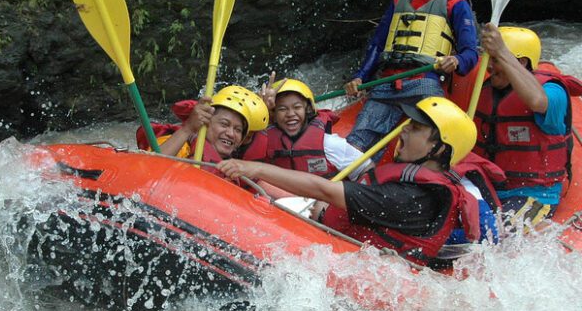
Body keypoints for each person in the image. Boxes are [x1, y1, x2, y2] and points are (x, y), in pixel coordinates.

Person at [218, 97, 481, 268]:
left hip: (354, 269)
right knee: (263, 188)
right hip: (343, 237)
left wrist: (252, 166)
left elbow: (324, 189)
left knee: (265, 190)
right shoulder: (416, 186)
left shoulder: (409, 198)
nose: (404, 130)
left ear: (437, 149)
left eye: (416, 128)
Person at [344, 0, 480, 156]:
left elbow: (471, 53)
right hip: (387, 84)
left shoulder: (456, 4)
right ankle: (355, 181)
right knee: (355, 145)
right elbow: (378, 45)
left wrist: (456, 61)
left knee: (427, 146)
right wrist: (361, 77)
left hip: (423, 84)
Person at [475, 24, 582, 218]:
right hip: (488, 189)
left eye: (495, 59)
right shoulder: (486, 89)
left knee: (497, 235)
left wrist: (502, 51)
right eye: (488, 58)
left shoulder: (553, 92)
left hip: (534, 195)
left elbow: (537, 101)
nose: (489, 66)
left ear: (521, 62)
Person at [244, 76, 372, 181]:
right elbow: (241, 146)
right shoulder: (264, 139)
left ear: (308, 110)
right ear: (274, 115)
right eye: (282, 109)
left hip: (323, 204)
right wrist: (261, 107)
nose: (290, 114)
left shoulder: (329, 144)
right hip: (279, 201)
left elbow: (367, 168)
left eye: (297, 107)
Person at [151, 86, 269, 177]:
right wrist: (188, 128)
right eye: (224, 124)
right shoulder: (181, 145)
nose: (231, 134)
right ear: (205, 122)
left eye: (238, 130)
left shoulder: (234, 167)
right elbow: (150, 167)